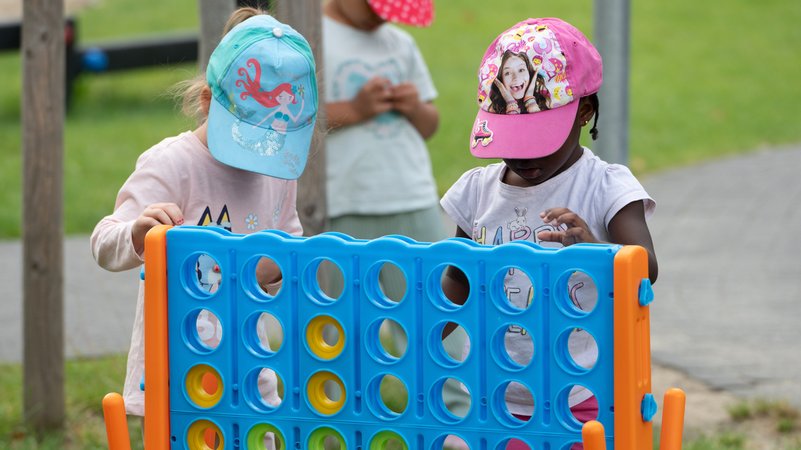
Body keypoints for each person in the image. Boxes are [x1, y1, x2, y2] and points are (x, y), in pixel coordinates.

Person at [90, 8, 318, 444]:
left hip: (253, 366)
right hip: (176, 373)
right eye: (245, 138)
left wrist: (276, 267)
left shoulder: (278, 167)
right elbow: (103, 241)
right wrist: (138, 233)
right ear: (207, 101)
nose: (259, 154)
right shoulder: (173, 164)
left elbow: (289, 241)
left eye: (271, 140)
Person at [441, 18, 658, 450]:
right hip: (491, 391)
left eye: (538, 140)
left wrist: (596, 253)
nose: (524, 156)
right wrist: (419, 327)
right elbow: (456, 282)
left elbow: (645, 268)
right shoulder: (477, 191)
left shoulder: (605, 187)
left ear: (585, 112)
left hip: (582, 393)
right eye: (512, 139)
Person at [321, 0, 471, 418]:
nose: (381, 15)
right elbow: (295, 118)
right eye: (373, 6)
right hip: (344, 204)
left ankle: (454, 420)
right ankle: (340, 424)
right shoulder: (311, 39)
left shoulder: (398, 42)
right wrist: (355, 109)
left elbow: (430, 123)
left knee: (438, 318)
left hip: (411, 196)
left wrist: (414, 107)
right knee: (340, 327)